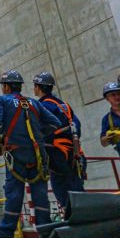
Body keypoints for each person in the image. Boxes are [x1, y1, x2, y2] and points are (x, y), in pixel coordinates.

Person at [0, 69, 61, 238]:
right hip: (38, 155)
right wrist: (37, 136)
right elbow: (54, 123)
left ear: (5, 87)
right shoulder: (34, 103)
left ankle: (6, 233)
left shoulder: (2, 100)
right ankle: (46, 233)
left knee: (14, 193)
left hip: (15, 154)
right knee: (40, 193)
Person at [32, 72, 85, 210]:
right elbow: (77, 128)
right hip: (76, 156)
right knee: (79, 195)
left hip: (58, 159)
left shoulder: (41, 107)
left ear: (38, 87)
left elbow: (38, 131)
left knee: (64, 198)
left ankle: (74, 227)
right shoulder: (65, 106)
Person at [100, 82, 120, 157]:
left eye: (119, 93)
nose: (117, 96)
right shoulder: (106, 119)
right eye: (113, 95)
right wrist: (109, 138)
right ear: (107, 98)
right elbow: (103, 143)